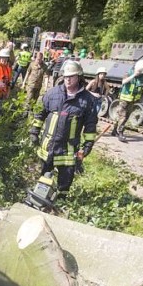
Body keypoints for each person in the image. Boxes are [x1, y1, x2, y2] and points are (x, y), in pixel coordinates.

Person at [29, 60, 98, 194]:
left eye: (71, 77)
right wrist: (34, 132)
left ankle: (60, 204)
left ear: (79, 77)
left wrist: (87, 146)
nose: (68, 80)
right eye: (66, 76)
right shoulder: (52, 94)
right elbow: (40, 114)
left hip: (68, 150)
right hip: (48, 147)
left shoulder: (87, 100)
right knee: (43, 181)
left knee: (64, 184)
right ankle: (39, 201)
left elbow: (90, 126)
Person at [114, 59, 143, 142]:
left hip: (133, 100)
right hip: (124, 99)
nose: (139, 72)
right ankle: (120, 133)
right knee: (123, 117)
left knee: (125, 116)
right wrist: (134, 75)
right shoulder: (129, 73)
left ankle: (114, 130)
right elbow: (123, 81)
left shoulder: (142, 76)